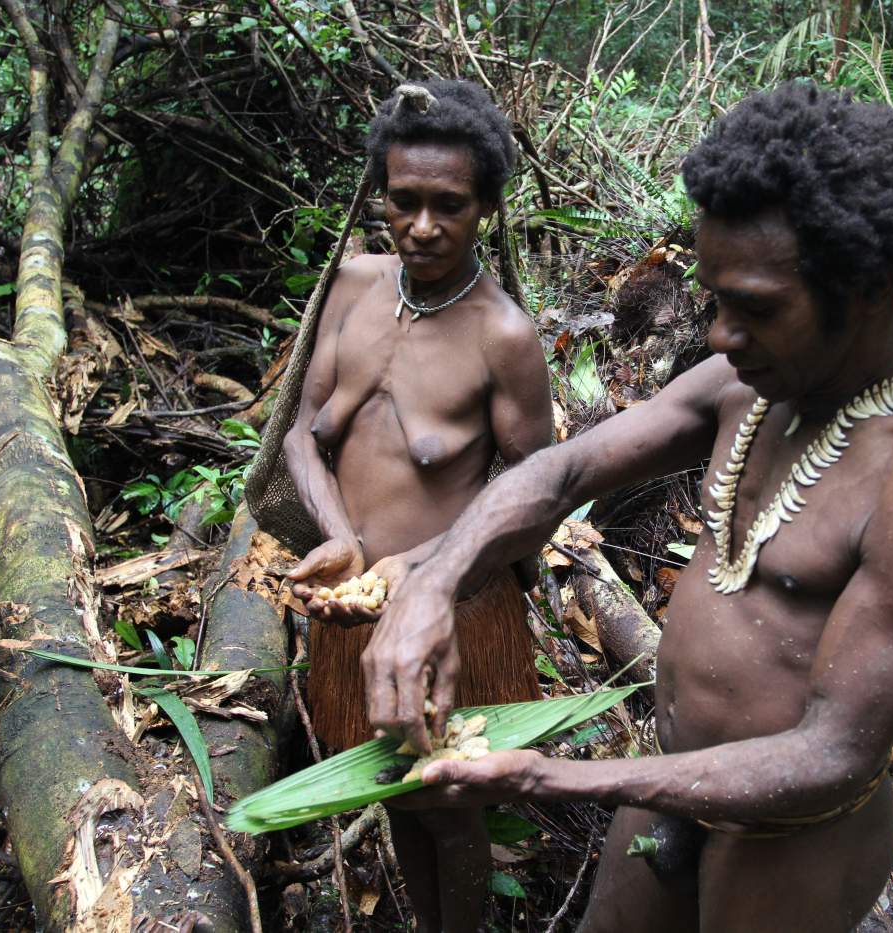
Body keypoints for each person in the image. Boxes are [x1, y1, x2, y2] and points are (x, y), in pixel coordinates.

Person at [363, 83, 893, 932]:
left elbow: (832, 754)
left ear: (869, 283)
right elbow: (559, 474)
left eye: (757, 308)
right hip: (667, 789)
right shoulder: (746, 388)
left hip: (792, 842)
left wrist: (547, 777)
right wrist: (434, 583)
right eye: (717, 301)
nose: (719, 337)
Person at [282, 80, 553, 932]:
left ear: (487, 208)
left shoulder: (500, 336)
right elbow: (300, 436)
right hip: (351, 612)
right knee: (391, 788)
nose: (425, 226)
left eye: (451, 205)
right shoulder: (354, 284)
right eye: (404, 202)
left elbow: (534, 501)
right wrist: (345, 543)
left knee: (451, 800)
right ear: (380, 197)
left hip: (455, 614)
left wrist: (417, 564)